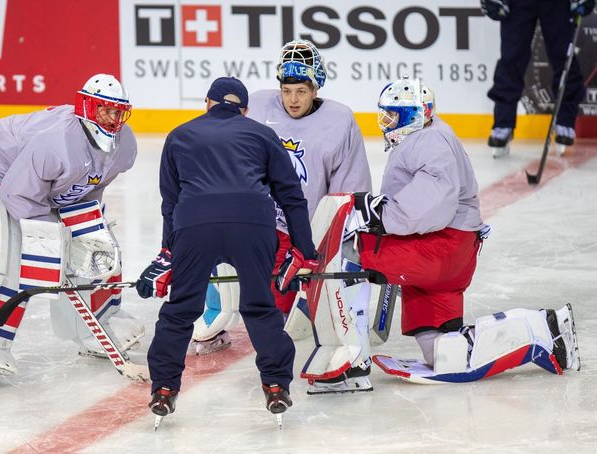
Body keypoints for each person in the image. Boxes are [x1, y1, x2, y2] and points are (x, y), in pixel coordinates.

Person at [297, 77, 580, 383]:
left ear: (414, 116)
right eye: (385, 114)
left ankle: (351, 358)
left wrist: (379, 216)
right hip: (447, 251)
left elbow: (434, 202)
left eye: (393, 115)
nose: (385, 121)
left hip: (442, 249)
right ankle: (544, 329)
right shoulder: (425, 136)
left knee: (351, 250)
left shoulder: (429, 142)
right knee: (446, 354)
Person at [189, 40, 373, 395]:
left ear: (315, 88)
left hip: (302, 228)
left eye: (301, 91)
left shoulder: (339, 121)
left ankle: (328, 338)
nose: (292, 99)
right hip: (257, 218)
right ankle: (215, 315)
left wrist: (328, 240)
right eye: (286, 90)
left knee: (276, 302)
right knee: (208, 241)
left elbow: (347, 192)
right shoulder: (257, 104)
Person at [136, 77, 318, 426]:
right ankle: (277, 384)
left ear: (207, 102)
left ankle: (163, 389)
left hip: (195, 224)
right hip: (252, 223)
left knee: (181, 310)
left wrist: (168, 252)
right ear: (244, 109)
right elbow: (291, 196)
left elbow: (170, 203)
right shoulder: (263, 134)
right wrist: (304, 250)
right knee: (260, 307)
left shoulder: (179, 134)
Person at [0, 74, 145, 386]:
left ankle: (98, 322)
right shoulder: (56, 143)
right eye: (104, 111)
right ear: (86, 107)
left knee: (94, 240)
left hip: (37, 183)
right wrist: (52, 236)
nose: (112, 119)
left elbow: (91, 188)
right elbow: (17, 194)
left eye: (118, 112)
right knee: (1, 261)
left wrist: (76, 229)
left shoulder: (124, 145)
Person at [482, 0, 595, 157]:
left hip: (557, 4)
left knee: (564, 57)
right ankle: (503, 123)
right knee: (511, 58)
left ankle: (565, 121)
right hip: (517, 4)